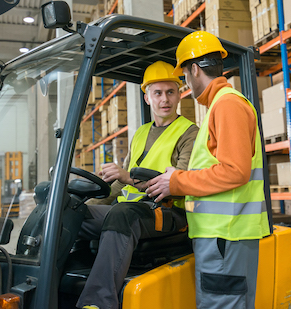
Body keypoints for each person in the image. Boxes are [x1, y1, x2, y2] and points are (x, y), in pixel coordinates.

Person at [144, 31, 270, 309]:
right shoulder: (220, 106)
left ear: (195, 69)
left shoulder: (227, 105)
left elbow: (235, 171)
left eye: (185, 77)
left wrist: (176, 182)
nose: (187, 84)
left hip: (226, 235)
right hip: (222, 235)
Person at [77, 61, 199, 309]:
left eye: (170, 92)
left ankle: (98, 302)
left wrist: (127, 177)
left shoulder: (189, 132)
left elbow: (178, 181)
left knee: (123, 214)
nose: (165, 99)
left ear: (179, 95)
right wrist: (85, 204)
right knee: (68, 211)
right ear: (147, 98)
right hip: (134, 209)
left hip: (168, 211)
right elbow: (118, 188)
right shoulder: (141, 133)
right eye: (158, 93)